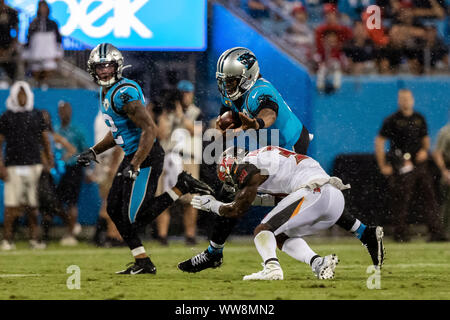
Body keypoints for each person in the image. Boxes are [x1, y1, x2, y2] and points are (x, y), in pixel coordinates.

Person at [77, 43, 213, 274]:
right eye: (99, 67)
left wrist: (136, 163)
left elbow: (150, 128)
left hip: (146, 155)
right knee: (113, 209)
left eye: (108, 66)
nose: (104, 72)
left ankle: (181, 186)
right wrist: (94, 151)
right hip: (134, 154)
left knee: (135, 217)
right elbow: (118, 130)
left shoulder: (124, 93)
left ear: (117, 66)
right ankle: (142, 261)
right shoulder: (107, 91)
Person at [179, 46, 313, 273]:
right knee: (230, 190)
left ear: (247, 76)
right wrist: (225, 125)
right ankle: (214, 252)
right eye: (223, 81)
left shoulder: (260, 91)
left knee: (279, 216)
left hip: (290, 148)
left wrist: (256, 124)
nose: (225, 86)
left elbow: (268, 113)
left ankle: (316, 256)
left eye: (230, 81)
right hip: (267, 147)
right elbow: (228, 115)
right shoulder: (237, 92)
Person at [179, 146, 385, 279]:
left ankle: (271, 267)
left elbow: (238, 209)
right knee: (279, 235)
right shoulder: (264, 159)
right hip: (333, 199)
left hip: (315, 192)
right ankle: (322, 260)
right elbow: (279, 199)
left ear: (233, 167)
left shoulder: (247, 167)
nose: (233, 185)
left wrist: (211, 205)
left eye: (230, 180)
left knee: (262, 230)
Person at [375, 89, 446, 242]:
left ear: (412, 100)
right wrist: (383, 165)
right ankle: (400, 234)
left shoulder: (419, 118)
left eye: (407, 98)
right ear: (399, 101)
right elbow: (379, 142)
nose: (405, 101)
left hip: (419, 164)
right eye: (402, 99)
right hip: (400, 164)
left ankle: (436, 233)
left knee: (429, 197)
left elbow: (425, 140)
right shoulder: (392, 120)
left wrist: (424, 151)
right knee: (401, 198)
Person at [0, 81, 52, 250]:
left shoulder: (36, 114)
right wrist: (0, 166)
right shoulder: (6, 116)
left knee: (33, 206)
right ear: (14, 95)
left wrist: (49, 159)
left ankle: (34, 240)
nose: (22, 98)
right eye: (19, 94)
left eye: (24, 94)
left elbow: (44, 139)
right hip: (13, 166)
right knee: (11, 206)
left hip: (34, 165)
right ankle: (7, 240)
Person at [155, 81, 204, 246]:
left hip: (188, 158)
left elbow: (195, 131)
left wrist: (180, 116)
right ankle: (162, 236)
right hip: (168, 157)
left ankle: (190, 235)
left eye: (188, 93)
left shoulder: (195, 112)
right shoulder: (166, 113)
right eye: (182, 93)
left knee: (190, 200)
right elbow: (161, 135)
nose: (185, 96)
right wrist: (166, 114)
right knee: (164, 198)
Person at [39, 109, 77, 242]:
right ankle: (44, 237)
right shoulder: (37, 136)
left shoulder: (53, 136)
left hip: (52, 176)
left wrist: (59, 161)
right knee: (46, 205)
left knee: (52, 203)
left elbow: (72, 149)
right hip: (41, 174)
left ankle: (68, 225)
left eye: (46, 118)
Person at [54, 101, 88, 246]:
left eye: (67, 110)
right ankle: (72, 226)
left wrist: (86, 169)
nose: (65, 113)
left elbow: (86, 151)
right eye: (62, 110)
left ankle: (70, 234)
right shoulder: (56, 129)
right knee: (55, 203)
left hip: (74, 170)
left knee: (72, 202)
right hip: (58, 171)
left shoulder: (77, 130)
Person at [22, 0, 63, 88]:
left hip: (49, 55)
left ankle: (45, 88)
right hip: (36, 55)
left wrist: (58, 53)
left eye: (44, 7)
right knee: (36, 77)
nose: (43, 9)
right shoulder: (33, 24)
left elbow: (58, 40)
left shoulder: (53, 24)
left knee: (47, 76)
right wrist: (26, 55)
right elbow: (28, 40)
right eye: (41, 7)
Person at [433, 121, 450, 237]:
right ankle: (444, 233)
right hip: (449, 168)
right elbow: (437, 153)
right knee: (448, 203)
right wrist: (445, 171)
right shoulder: (446, 132)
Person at [0, 0, 19, 83]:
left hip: (8, 45)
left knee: (12, 67)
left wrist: (10, 48)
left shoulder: (12, 12)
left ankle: (13, 84)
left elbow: (16, 30)